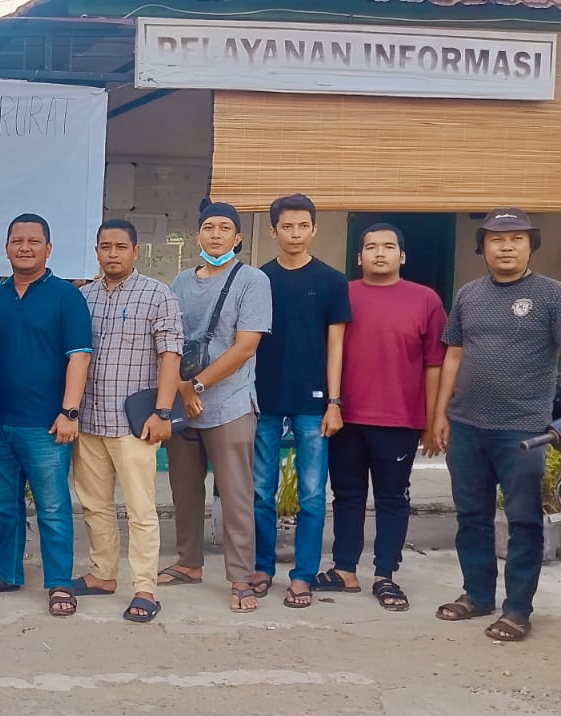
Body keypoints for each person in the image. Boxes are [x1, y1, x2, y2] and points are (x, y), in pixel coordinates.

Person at [430, 208, 561, 642]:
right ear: (482, 247)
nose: (506, 247)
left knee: (523, 520)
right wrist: (440, 414)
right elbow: (453, 355)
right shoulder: (468, 295)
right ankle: (477, 595)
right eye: (497, 239)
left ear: (530, 245)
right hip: (466, 425)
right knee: (472, 516)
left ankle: (518, 610)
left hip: (523, 430)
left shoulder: (554, 295)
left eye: (516, 239)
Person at [316, 223, 447, 612]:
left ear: (402, 256)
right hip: (346, 417)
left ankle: (385, 574)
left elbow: (435, 364)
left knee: (392, 498)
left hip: (399, 419)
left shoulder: (426, 300)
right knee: (347, 495)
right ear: (359, 257)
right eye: (371, 247)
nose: (379, 253)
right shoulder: (342, 294)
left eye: (388, 247)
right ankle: (344, 569)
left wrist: (431, 418)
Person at [0, 213, 92, 617]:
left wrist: (69, 411)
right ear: (6, 248)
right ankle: (6, 572)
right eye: (17, 241)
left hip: (47, 424)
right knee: (4, 505)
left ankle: (59, 582)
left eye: (33, 241)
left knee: (53, 508)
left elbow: (79, 357)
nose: (24, 247)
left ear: (48, 248)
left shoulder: (66, 297)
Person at [159, 201, 272, 613]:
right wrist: (179, 389)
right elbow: (170, 338)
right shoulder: (180, 281)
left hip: (230, 404)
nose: (216, 234)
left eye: (225, 228)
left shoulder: (252, 280)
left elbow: (245, 347)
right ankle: (188, 562)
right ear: (197, 236)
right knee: (184, 489)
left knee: (236, 494)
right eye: (209, 227)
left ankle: (241, 577)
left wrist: (196, 385)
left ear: (237, 237)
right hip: (183, 403)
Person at [71, 218, 183, 624]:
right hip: (89, 419)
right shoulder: (83, 297)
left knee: (140, 509)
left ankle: (144, 587)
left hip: (135, 424)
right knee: (94, 505)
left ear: (136, 251)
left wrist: (163, 412)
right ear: (96, 252)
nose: (112, 254)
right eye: (105, 247)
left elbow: (170, 355)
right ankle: (103, 574)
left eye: (121, 247)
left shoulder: (158, 295)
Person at [252, 193, 351, 609]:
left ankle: (303, 575)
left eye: (302, 226)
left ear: (314, 230)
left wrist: (334, 401)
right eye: (286, 226)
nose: (295, 234)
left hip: (314, 403)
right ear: (273, 231)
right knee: (260, 491)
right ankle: (261, 568)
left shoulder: (331, 281)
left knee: (312, 494)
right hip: (263, 399)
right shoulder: (258, 279)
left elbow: (336, 345)